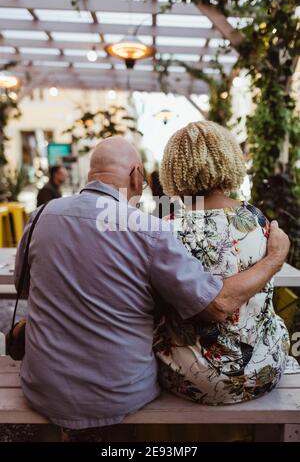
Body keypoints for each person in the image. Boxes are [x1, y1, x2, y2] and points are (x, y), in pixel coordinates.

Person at [15, 135, 289, 430]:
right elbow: (218, 304)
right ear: (135, 175)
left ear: (90, 173)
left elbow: (25, 287)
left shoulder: (40, 216)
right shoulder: (149, 230)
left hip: (41, 388)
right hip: (122, 394)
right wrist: (275, 257)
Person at [155, 120, 297, 405]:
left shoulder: (166, 230)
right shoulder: (256, 220)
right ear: (227, 158)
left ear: (172, 169)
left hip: (192, 379)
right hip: (263, 372)